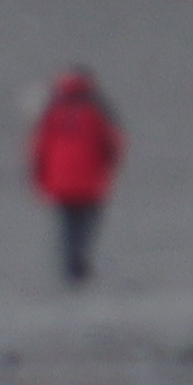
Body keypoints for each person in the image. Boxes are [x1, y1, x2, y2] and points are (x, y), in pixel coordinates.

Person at [27, 67, 123, 288]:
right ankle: (79, 261)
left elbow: (37, 149)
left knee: (67, 223)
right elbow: (114, 143)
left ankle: (69, 264)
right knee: (87, 222)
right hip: (90, 180)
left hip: (59, 181)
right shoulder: (97, 109)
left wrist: (39, 177)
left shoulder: (51, 110)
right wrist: (109, 168)